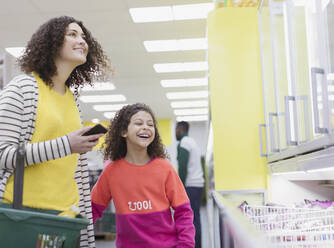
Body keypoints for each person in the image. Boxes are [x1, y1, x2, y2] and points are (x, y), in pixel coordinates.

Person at [0, 16, 111, 247]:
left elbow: (74, 169)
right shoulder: (23, 88)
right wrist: (66, 145)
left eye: (83, 36)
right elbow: (3, 154)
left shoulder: (73, 101)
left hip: (64, 218)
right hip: (22, 215)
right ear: (52, 42)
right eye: (72, 34)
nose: (82, 41)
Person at [91, 103, 195, 248]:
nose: (145, 127)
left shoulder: (165, 169)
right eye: (138, 123)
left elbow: (183, 212)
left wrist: (186, 245)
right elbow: (92, 209)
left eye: (150, 124)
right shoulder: (111, 172)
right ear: (123, 131)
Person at [176, 121, 205, 248]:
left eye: (176, 129)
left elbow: (182, 167)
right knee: (195, 218)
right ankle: (198, 245)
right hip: (197, 185)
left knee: (190, 220)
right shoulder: (192, 142)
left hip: (190, 186)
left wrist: (179, 188)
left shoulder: (185, 142)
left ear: (180, 129)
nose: (175, 133)